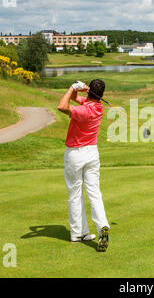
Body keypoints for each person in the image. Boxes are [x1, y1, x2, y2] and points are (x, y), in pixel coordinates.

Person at [57, 79, 110, 252]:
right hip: (92, 154)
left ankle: (77, 233)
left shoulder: (84, 111)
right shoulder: (98, 107)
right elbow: (74, 99)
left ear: (89, 94)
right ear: (101, 95)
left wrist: (72, 86)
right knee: (94, 192)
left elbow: (62, 106)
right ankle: (101, 225)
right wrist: (80, 90)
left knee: (75, 193)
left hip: (75, 154)